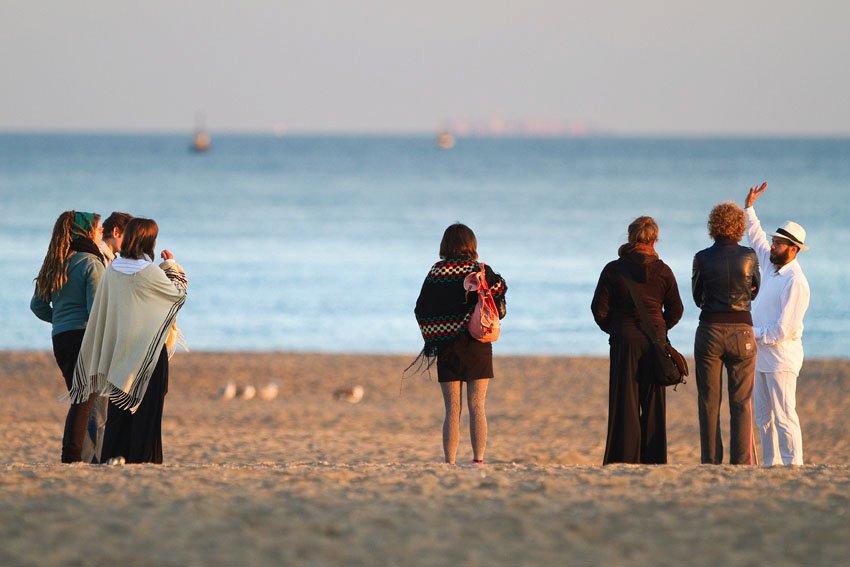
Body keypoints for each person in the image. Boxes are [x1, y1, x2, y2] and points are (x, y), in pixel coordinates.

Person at [70, 218, 188, 464]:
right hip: (149, 356)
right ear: (148, 240)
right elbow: (176, 296)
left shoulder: (113, 269)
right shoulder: (151, 271)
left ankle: (114, 457)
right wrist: (171, 265)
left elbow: (108, 308)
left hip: (119, 353)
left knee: (118, 412)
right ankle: (143, 460)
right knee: (147, 414)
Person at [591, 216, 684, 464]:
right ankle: (654, 459)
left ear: (631, 238)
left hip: (624, 340)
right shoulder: (663, 270)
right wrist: (660, 330)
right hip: (654, 340)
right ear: (654, 239)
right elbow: (676, 310)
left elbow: (599, 310)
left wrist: (617, 330)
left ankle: (623, 458)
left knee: (625, 402)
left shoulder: (613, 269)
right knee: (654, 402)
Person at [414, 223, 507, 465]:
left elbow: (421, 309)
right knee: (477, 406)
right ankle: (478, 460)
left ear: (445, 245)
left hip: (447, 348)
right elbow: (499, 303)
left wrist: (435, 336)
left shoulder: (436, 273)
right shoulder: (480, 271)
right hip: (477, 344)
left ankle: (450, 462)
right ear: (471, 245)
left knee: (452, 410)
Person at [30, 211, 106, 463]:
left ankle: (85, 456)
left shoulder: (54, 263)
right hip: (84, 336)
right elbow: (97, 308)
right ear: (85, 233)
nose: (99, 234)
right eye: (96, 229)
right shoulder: (90, 263)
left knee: (82, 398)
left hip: (61, 338)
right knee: (84, 401)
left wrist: (61, 319)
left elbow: (38, 306)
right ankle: (72, 456)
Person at [744, 182, 810, 466]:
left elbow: (783, 330)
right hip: (760, 357)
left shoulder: (796, 282)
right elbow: (756, 238)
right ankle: (770, 465)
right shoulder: (771, 265)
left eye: (779, 243)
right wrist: (749, 208)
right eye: (775, 241)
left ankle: (793, 464)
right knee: (763, 418)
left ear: (793, 249)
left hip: (782, 359)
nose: (773, 245)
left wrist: (751, 333)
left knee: (785, 416)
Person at [692, 202, 760, 464]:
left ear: (714, 226)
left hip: (710, 330)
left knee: (709, 401)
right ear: (739, 226)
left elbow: (698, 297)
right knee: (742, 402)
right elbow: (755, 289)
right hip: (742, 331)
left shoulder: (702, 257)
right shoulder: (749, 256)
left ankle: (710, 461)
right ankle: (741, 463)